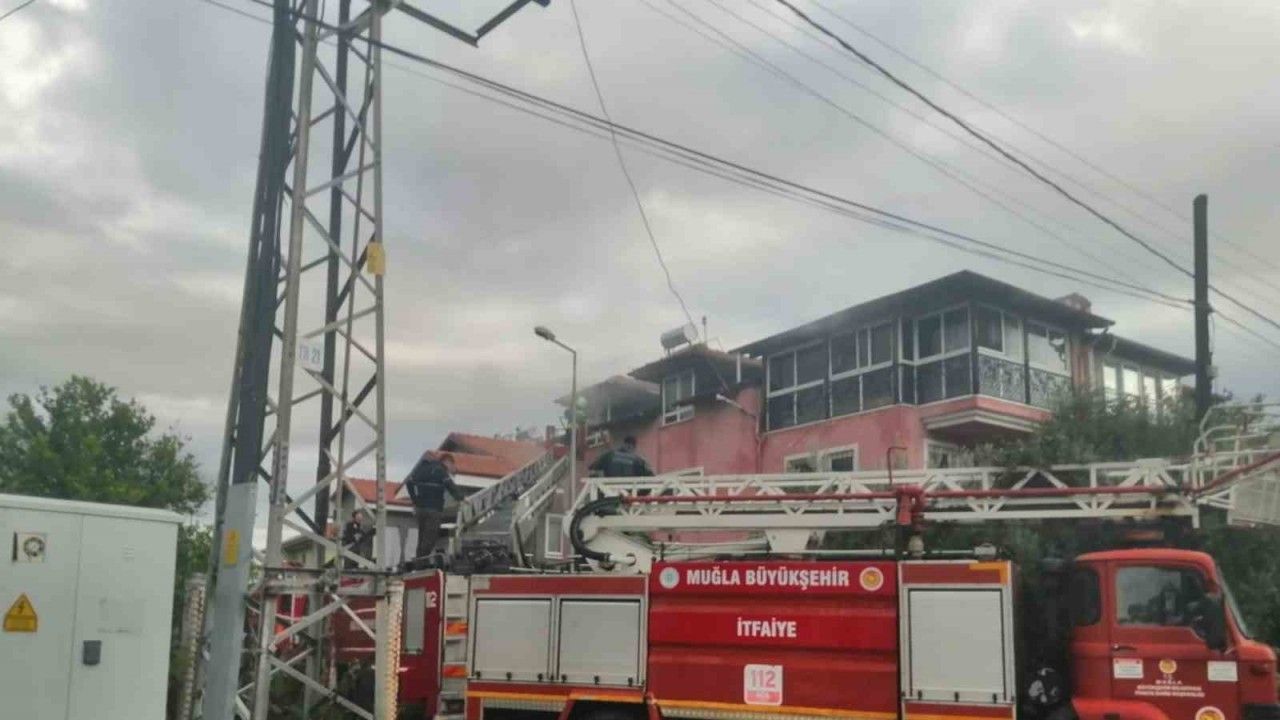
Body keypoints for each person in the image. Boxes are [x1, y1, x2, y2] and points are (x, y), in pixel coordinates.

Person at [405, 451, 464, 560]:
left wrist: (414, 499)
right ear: (447, 462)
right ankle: (422, 562)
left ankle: (418, 561)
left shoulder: (421, 469)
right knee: (430, 539)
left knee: (422, 538)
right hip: (434, 510)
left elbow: (409, 482)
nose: (452, 469)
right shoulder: (440, 470)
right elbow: (450, 486)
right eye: (452, 465)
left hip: (420, 509)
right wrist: (462, 498)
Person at [589, 436, 655, 477]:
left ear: (624, 444)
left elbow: (592, 467)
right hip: (631, 492)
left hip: (609, 491)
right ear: (633, 447)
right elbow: (650, 475)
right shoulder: (638, 460)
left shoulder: (609, 455)